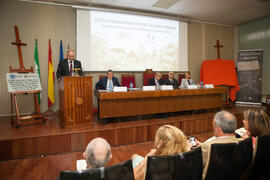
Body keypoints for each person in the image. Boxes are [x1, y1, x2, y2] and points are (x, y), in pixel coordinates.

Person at [196, 111, 242, 179]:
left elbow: (195, 167)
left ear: (218, 129)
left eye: (214, 127)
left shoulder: (207, 147)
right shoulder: (243, 142)